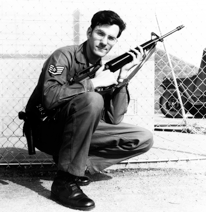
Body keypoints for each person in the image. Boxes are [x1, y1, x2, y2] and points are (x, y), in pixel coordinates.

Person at [24, 10, 153, 211]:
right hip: (46, 129)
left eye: (111, 38)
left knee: (142, 138)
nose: (104, 42)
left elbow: (114, 117)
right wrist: (93, 83)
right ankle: (65, 181)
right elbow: (49, 99)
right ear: (89, 31)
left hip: (79, 132)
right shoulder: (63, 56)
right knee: (92, 99)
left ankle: (78, 166)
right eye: (100, 34)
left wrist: (121, 80)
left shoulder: (106, 69)